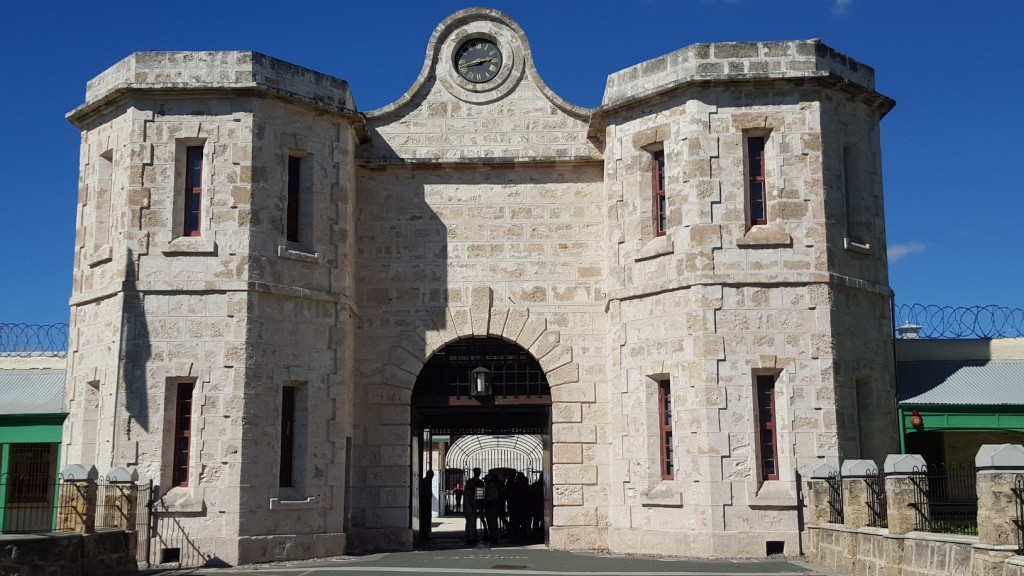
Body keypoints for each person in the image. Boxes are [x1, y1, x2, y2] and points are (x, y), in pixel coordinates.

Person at [463, 468, 484, 546]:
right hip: (471, 502)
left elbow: (479, 495)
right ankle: (471, 537)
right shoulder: (479, 482)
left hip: (470, 502)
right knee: (471, 519)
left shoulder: (470, 482)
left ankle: (470, 535)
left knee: (470, 520)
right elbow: (480, 496)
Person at [420, 470, 434, 540]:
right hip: (425, 502)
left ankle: (425, 534)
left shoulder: (427, 481)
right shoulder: (425, 481)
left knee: (427, 519)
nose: (432, 477)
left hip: (427, 501)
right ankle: (424, 535)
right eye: (431, 475)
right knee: (425, 519)